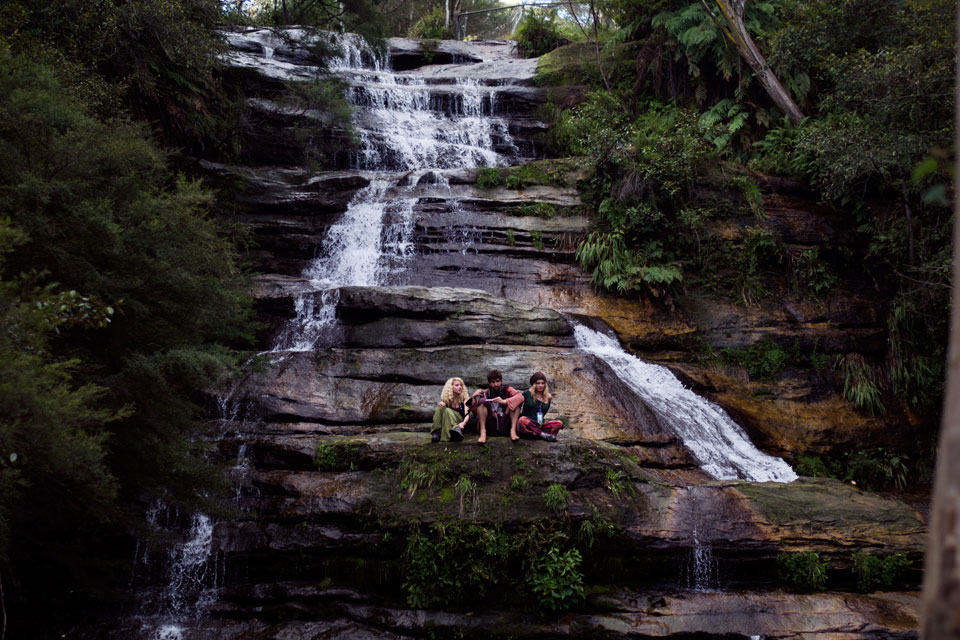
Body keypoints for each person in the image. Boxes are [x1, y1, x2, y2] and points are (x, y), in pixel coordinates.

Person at [468, 369, 524, 444]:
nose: (496, 384)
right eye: (493, 382)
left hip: (505, 423)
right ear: (489, 383)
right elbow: (476, 413)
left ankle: (513, 431)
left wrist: (504, 401)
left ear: (501, 381)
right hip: (491, 424)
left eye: (497, 381)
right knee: (482, 401)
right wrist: (474, 398)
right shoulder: (486, 393)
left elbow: (520, 397)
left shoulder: (508, 389)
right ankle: (483, 432)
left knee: (515, 404)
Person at [516, 371, 563, 442]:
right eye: (538, 383)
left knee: (559, 423)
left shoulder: (548, 397)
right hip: (527, 424)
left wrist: (540, 424)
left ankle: (538, 433)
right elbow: (517, 407)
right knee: (522, 420)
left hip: (539, 425)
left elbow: (543, 413)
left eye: (542, 383)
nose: (540, 385)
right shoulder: (527, 393)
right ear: (533, 384)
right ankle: (542, 434)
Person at [431, 377, 470, 442]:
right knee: (441, 408)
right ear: (451, 387)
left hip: (460, 423)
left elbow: (467, 415)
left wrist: (463, 423)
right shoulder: (447, 400)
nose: (460, 387)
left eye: (461, 385)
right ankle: (436, 432)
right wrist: (444, 405)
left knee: (447, 410)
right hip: (448, 421)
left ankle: (456, 429)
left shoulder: (465, 399)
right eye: (457, 385)